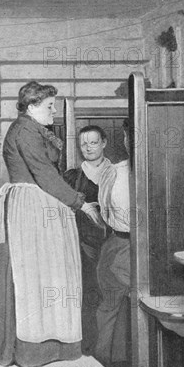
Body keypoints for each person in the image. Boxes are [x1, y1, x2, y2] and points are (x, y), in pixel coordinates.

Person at [0, 81, 103, 367]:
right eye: (49, 106)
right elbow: (44, 174)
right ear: (32, 106)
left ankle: (52, 342)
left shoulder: (32, 129)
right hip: (31, 206)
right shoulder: (24, 131)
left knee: (47, 274)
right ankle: (32, 347)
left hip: (39, 202)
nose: (54, 110)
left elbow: (48, 174)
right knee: (33, 275)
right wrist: (80, 203)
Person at [63, 125, 111, 355]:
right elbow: (60, 208)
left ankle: (109, 345)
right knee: (86, 292)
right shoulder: (72, 176)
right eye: (84, 144)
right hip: (81, 243)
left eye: (93, 142)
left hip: (112, 241)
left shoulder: (118, 173)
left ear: (104, 143)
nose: (88, 148)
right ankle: (88, 343)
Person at [94, 119, 132, 367]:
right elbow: (105, 213)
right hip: (120, 245)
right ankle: (111, 354)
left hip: (137, 246)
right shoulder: (114, 172)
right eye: (129, 136)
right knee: (113, 297)